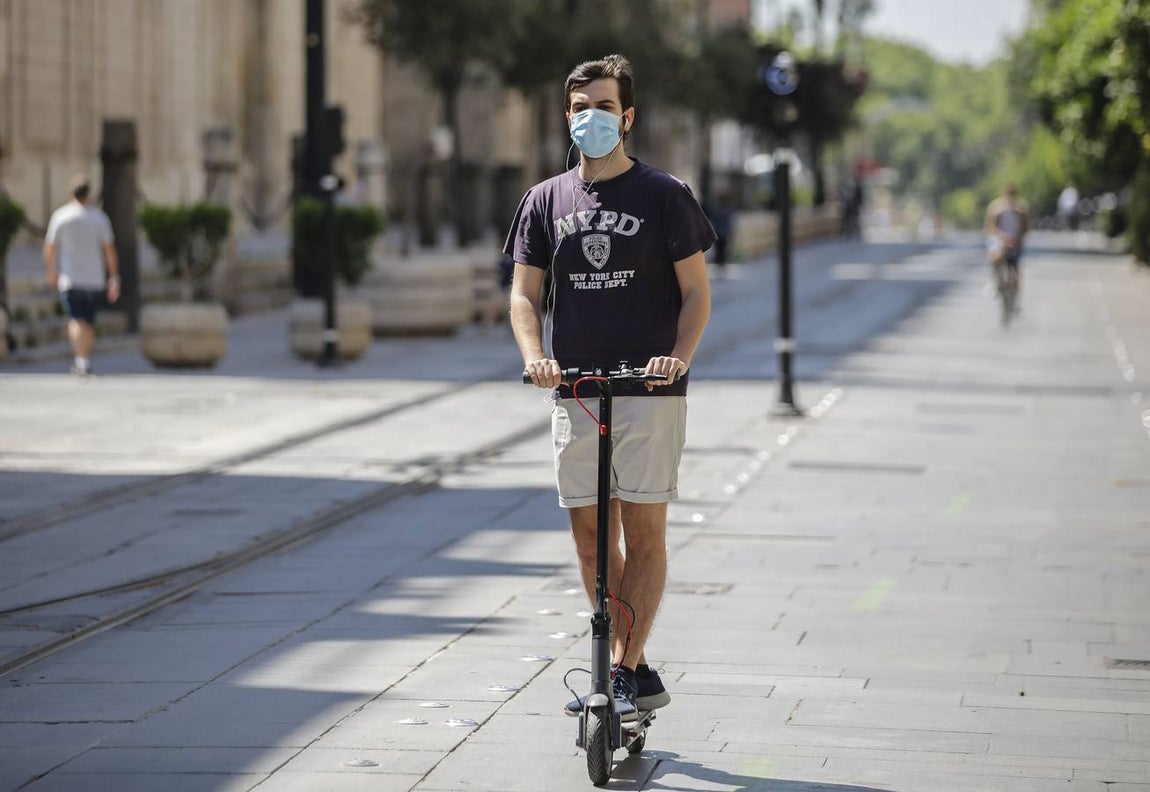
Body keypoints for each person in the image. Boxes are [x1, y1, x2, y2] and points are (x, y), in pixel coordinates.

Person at [506, 54, 714, 716]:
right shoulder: (545, 200)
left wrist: (677, 358)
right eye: (578, 108)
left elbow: (696, 294)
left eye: (602, 106)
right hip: (576, 387)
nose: (589, 117)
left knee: (643, 531)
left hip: (648, 388)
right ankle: (635, 667)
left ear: (627, 116)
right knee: (591, 538)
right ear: (565, 118)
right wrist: (536, 354)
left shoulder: (664, 195)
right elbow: (523, 295)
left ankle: (622, 669)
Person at [43, 175, 120, 376]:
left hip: (70, 279)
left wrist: (51, 270)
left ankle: (81, 360)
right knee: (88, 322)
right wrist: (114, 277)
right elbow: (109, 250)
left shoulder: (60, 216)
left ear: (71, 194)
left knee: (76, 320)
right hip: (94, 279)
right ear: (89, 195)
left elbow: (50, 247)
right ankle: (84, 359)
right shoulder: (99, 218)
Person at [985, 182, 1030, 306]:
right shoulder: (996, 208)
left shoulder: (1022, 208)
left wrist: (1017, 239)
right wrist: (1003, 237)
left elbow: (1025, 228)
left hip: (1016, 241)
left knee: (1015, 268)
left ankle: (1015, 296)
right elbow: (991, 228)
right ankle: (996, 284)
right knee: (995, 259)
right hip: (1000, 240)